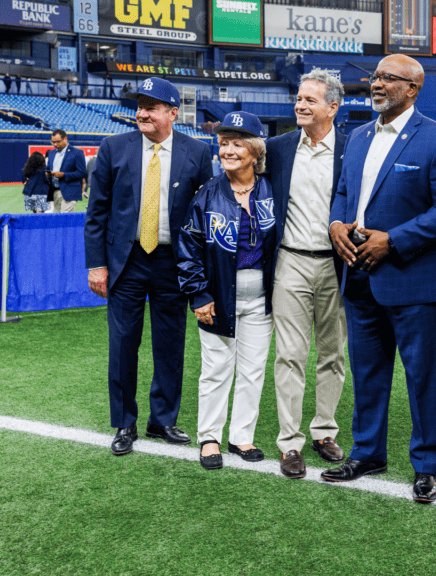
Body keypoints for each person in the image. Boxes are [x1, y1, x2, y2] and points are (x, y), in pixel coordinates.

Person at [322, 54, 436, 504]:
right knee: (368, 373)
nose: (378, 83)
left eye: (390, 78)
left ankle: (426, 466)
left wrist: (394, 240)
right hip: (360, 275)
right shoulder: (359, 136)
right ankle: (368, 453)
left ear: (414, 88)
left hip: (415, 277)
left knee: (422, 377)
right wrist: (337, 225)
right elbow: (344, 193)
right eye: (376, 76)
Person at [84, 77, 214, 456]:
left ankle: (163, 420)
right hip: (125, 263)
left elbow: (205, 215)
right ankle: (125, 423)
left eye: (151, 107)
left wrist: (199, 268)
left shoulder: (197, 152)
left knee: (170, 345)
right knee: (123, 345)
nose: (141, 113)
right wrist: (96, 265)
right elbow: (97, 214)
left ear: (172, 113)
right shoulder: (113, 148)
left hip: (173, 263)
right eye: (139, 105)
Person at [178, 112, 281, 470]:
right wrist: (199, 294)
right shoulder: (207, 193)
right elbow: (188, 246)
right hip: (219, 294)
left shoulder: (272, 188)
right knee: (216, 368)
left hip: (262, 296)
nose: (229, 151)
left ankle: (241, 436)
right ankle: (209, 437)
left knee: (253, 369)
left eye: (238, 144)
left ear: (255, 151)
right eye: (224, 144)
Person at [266, 69, 348, 479]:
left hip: (338, 263)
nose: (300, 105)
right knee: (290, 355)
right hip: (290, 261)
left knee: (333, 354)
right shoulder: (277, 148)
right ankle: (289, 442)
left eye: (310, 100)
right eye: (298, 98)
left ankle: (324, 431)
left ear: (333, 107)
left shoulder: (353, 148)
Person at [47, 129, 87, 213]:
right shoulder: (51, 153)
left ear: (65, 138)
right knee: (58, 220)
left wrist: (64, 175)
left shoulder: (77, 153)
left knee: (64, 219)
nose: (55, 144)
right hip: (54, 191)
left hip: (69, 191)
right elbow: (48, 168)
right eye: (53, 142)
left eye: (58, 142)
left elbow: (82, 172)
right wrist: (47, 174)